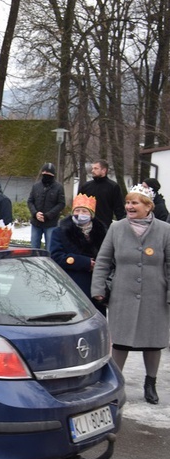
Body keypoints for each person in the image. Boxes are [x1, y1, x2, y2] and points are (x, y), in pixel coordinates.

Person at [91, 184, 170, 405]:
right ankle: (116, 385)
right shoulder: (117, 229)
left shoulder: (165, 230)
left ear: (148, 206)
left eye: (134, 203)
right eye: (127, 202)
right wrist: (98, 288)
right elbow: (104, 260)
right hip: (123, 293)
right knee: (121, 342)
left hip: (156, 294)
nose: (129, 206)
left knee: (153, 341)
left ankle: (150, 383)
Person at [50, 194, 108, 315]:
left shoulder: (102, 232)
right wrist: (84, 262)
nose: (80, 214)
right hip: (72, 282)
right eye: (77, 210)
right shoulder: (60, 232)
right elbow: (56, 256)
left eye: (84, 211)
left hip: (96, 283)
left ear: (91, 214)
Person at [27, 163, 66, 250]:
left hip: (51, 223)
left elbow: (61, 204)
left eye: (49, 175)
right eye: (45, 174)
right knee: (34, 248)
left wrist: (48, 215)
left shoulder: (59, 187)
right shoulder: (36, 186)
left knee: (50, 249)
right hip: (36, 223)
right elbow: (30, 201)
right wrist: (35, 213)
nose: (46, 176)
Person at [78, 159, 125, 227]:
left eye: (96, 168)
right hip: (86, 224)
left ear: (104, 170)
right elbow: (78, 205)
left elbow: (119, 208)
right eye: (92, 168)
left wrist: (122, 225)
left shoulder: (113, 187)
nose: (92, 171)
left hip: (104, 225)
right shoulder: (86, 186)